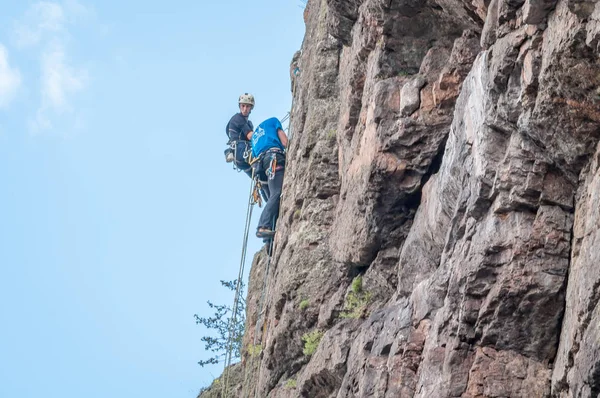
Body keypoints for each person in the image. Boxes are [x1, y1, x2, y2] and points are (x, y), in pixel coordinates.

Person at [247, 117, 288, 238]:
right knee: (276, 193)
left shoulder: (254, 138)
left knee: (272, 199)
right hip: (273, 158)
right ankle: (263, 226)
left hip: (260, 167)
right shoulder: (273, 121)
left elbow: (253, 156)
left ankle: (268, 241)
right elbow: (285, 142)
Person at [225, 93, 255, 178]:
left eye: (248, 106)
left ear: (251, 108)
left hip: (240, 158)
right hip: (241, 151)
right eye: (243, 106)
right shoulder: (238, 118)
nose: (245, 109)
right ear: (239, 106)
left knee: (258, 177)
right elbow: (250, 136)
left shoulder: (249, 123)